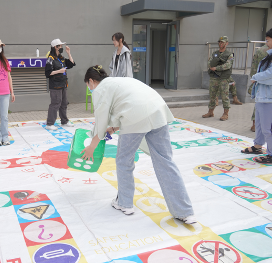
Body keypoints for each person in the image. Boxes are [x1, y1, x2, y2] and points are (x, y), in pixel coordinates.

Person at [81, 65, 196, 224]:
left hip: (135, 117)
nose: (89, 88)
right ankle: (184, 212)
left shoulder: (100, 89)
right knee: (165, 161)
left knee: (124, 161)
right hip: (157, 111)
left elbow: (101, 122)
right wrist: (114, 128)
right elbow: (130, 104)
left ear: (91, 81)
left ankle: (125, 203)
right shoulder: (119, 81)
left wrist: (91, 148)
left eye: (88, 85)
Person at [241, 29, 272, 164]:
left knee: (268, 128)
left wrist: (255, 77)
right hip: (262, 97)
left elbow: (270, 75)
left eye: (268, 40)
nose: (266, 42)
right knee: (259, 124)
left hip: (269, 99)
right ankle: (258, 146)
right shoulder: (268, 55)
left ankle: (271, 154)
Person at [45, 39, 76, 130]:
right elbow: (48, 73)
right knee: (55, 103)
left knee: (64, 103)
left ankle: (64, 121)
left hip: (63, 84)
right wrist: (59, 71)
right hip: (55, 85)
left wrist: (69, 53)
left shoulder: (61, 58)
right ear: (56, 47)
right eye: (60, 46)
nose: (62, 47)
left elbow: (71, 64)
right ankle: (50, 123)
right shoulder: (50, 58)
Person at [203, 36, 234, 121]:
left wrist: (216, 68)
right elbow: (209, 63)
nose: (221, 44)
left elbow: (228, 65)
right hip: (214, 77)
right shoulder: (215, 53)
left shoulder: (229, 54)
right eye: (219, 42)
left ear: (226, 43)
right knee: (212, 95)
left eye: (223, 42)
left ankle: (225, 114)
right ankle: (210, 112)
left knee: (225, 96)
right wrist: (212, 67)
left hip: (224, 78)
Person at [248, 44, 269, 132]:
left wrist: (254, 78)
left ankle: (255, 124)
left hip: (260, 80)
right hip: (267, 80)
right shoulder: (267, 51)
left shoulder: (260, 50)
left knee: (260, 102)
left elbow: (254, 67)